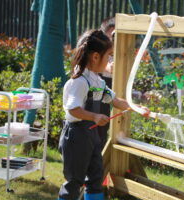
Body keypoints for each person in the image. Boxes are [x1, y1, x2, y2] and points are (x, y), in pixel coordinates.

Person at [57, 29, 149, 200]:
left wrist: (136, 108)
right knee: (74, 181)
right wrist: (94, 116)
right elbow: (72, 109)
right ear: (95, 57)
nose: (110, 60)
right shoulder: (79, 82)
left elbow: (114, 100)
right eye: (109, 56)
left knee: (95, 177)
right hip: (76, 135)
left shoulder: (97, 80)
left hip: (92, 135)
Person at [98, 17, 115, 150]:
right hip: (99, 87)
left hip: (112, 86)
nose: (113, 40)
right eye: (111, 36)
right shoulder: (99, 50)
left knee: (105, 125)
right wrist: (108, 67)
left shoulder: (120, 52)